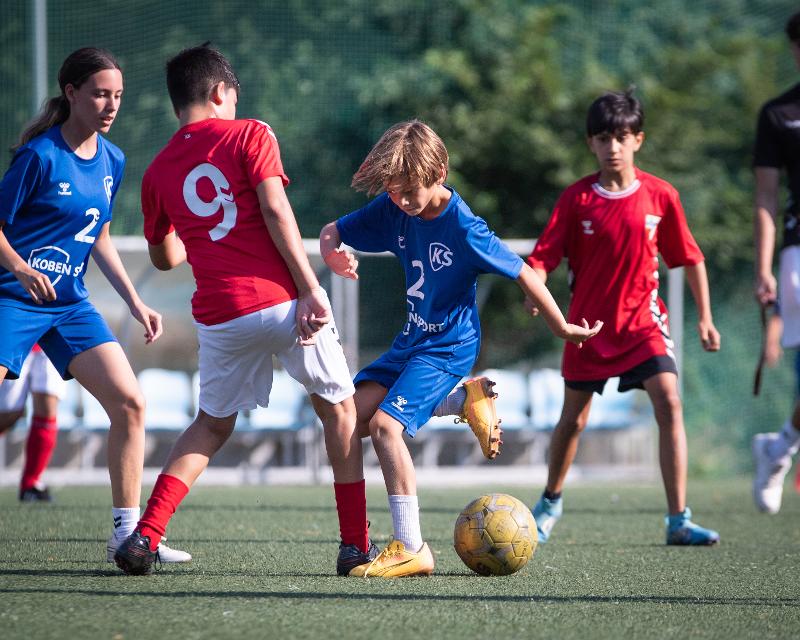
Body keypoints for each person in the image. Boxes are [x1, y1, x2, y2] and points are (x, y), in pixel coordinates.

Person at [112, 43, 372, 576]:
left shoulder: (159, 170)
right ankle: (354, 546)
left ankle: (145, 536)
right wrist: (310, 287)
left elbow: (163, 257)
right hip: (279, 301)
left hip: (220, 315)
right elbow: (276, 209)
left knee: (209, 426)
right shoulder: (252, 132)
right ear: (219, 93)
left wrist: (197, 235)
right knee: (338, 411)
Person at [319, 119, 602, 577]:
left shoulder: (464, 226)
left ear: (440, 172)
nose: (402, 201)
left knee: (387, 429)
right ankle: (458, 401)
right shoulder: (394, 208)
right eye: (394, 191)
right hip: (410, 344)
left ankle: (411, 546)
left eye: (410, 190)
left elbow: (525, 272)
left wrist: (564, 328)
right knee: (351, 419)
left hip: (447, 348)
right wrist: (333, 253)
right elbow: (334, 230)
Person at [0, 47, 189, 563]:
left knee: (129, 403)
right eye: (101, 93)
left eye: (118, 96)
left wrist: (134, 301)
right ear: (72, 94)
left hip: (69, 304)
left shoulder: (113, 158)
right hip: (13, 298)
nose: (111, 105)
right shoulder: (39, 155)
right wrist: (19, 268)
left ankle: (127, 536)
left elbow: (98, 235)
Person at [526, 90, 721, 546]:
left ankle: (678, 519)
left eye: (622, 136)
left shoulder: (661, 196)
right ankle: (551, 501)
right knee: (573, 420)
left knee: (669, 401)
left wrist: (705, 318)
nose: (613, 146)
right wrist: (533, 291)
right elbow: (541, 257)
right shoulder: (576, 200)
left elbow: (690, 258)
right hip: (586, 330)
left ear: (638, 140)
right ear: (590, 144)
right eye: (603, 138)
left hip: (643, 325)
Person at [752, 10, 800, 515]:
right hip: (797, 248)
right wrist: (763, 267)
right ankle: (781, 446)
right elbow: (766, 196)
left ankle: (780, 446)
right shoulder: (779, 115)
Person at [0, 346, 64, 502]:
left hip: (52, 337)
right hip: (18, 335)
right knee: (9, 414)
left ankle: (30, 484)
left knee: (48, 407)